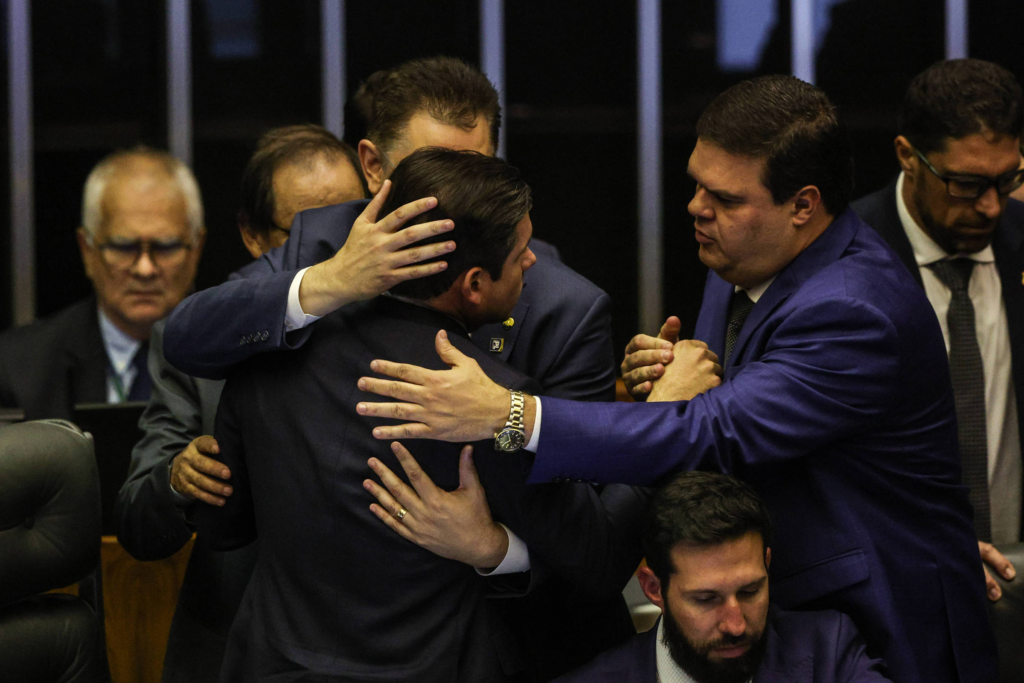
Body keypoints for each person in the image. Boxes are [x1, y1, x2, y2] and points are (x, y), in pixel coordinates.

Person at [354, 75, 998, 682]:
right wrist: (664, 385)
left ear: (803, 205)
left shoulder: (854, 307)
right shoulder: (742, 258)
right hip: (775, 613)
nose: (695, 208)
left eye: (726, 199)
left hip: (877, 621)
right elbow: (733, 406)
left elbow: (715, 432)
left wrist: (508, 414)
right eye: (696, 185)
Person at [161, 57, 636, 679]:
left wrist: (495, 549)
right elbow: (189, 338)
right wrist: (332, 282)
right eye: (434, 170)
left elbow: (580, 540)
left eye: (477, 166)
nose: (459, 195)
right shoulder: (306, 267)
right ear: (374, 167)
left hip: (478, 642)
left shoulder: (559, 305)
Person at [115, 127, 369, 683]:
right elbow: (136, 522)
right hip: (234, 648)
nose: (333, 249)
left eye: (349, 223)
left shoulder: (406, 325)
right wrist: (177, 481)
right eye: (305, 230)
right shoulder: (198, 337)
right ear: (253, 237)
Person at [852, 59, 1024, 602]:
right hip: (892, 582)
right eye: (967, 185)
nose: (992, 206)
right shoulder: (842, 260)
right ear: (908, 156)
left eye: (1008, 180)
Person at [551, 471, 889, 683]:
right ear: (654, 589)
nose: (736, 625)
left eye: (750, 591)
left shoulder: (828, 653)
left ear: (767, 565)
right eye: (706, 599)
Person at [0, 147, 204, 419]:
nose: (145, 269)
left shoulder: (239, 359)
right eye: (123, 247)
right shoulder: (18, 369)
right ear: (87, 250)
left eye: (166, 246)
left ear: (196, 249)